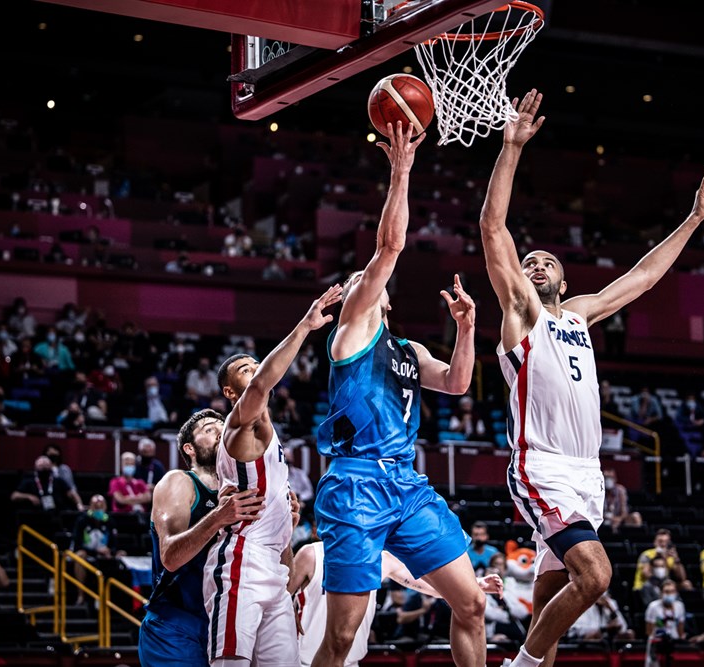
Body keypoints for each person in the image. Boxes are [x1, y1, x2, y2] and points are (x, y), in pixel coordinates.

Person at [478, 89, 704, 667]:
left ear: (564, 284)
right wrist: (512, 148)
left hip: (588, 474)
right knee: (596, 578)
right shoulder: (521, 312)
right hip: (543, 465)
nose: (536, 264)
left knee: (550, 603)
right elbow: (492, 227)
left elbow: (642, 277)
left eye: (548, 262)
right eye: (529, 262)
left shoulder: (580, 313)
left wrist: (693, 219)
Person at [313, 122, 485, 667]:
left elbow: (457, 383)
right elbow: (389, 246)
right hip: (356, 485)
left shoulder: (408, 349)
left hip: (407, 485)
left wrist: (466, 329)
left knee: (473, 603)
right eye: (362, 278)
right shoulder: (352, 330)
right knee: (342, 637)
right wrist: (402, 170)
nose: (368, 280)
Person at [205, 284, 342, 666]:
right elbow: (263, 383)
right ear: (230, 392)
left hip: (274, 567)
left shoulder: (271, 437)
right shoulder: (238, 426)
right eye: (245, 369)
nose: (255, 370)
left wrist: (284, 513)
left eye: (256, 363)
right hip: (241, 562)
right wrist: (305, 325)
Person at [138, 409, 269, 667]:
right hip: (175, 623)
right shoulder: (179, 482)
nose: (220, 433)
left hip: (227, 622)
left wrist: (286, 527)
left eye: (223, 428)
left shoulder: (244, 492)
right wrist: (219, 517)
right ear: (190, 448)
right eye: (209, 429)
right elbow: (170, 557)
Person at [291, 540, 503, 667]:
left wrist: (474, 585)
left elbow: (431, 587)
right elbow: (280, 598)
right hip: (303, 660)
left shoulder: (381, 558)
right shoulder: (311, 554)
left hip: (351, 661)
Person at [69, 494, 123, 606]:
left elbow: (114, 544)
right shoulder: (82, 520)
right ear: (90, 507)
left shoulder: (110, 521)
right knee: (80, 555)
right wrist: (96, 551)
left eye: (101, 506)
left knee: (122, 554)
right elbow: (77, 545)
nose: (99, 509)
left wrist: (110, 551)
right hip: (87, 553)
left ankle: (111, 598)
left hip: (104, 555)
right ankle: (81, 594)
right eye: (96, 507)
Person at [602, 469, 642, 534]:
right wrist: (607, 518)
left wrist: (618, 519)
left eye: (610, 478)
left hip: (618, 519)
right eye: (606, 478)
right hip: (602, 519)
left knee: (636, 516)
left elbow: (624, 512)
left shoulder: (620, 490)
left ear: (615, 479)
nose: (608, 480)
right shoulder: (599, 491)